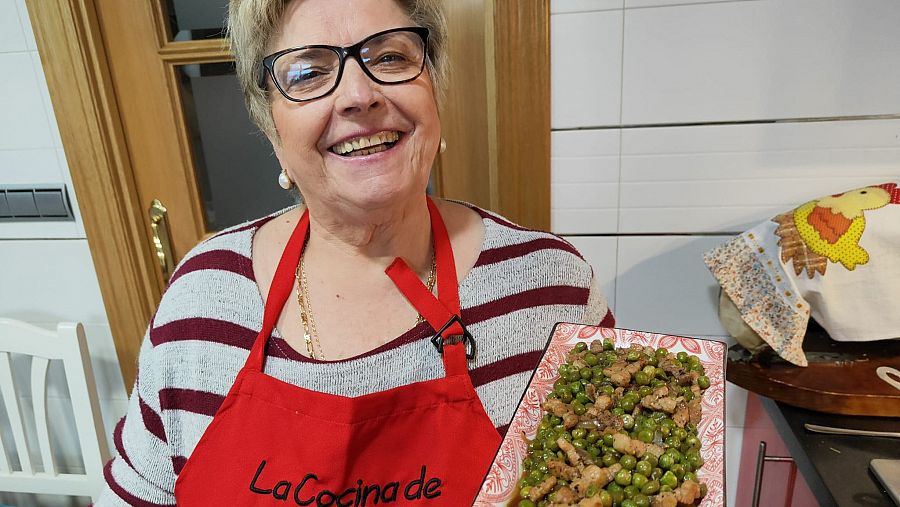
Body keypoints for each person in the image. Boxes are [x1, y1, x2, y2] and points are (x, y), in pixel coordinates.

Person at [97, 0, 613, 504]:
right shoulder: (201, 302)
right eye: (308, 73)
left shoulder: (550, 288)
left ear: (433, 85)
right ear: (271, 127)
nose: (359, 95)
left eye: (389, 57)